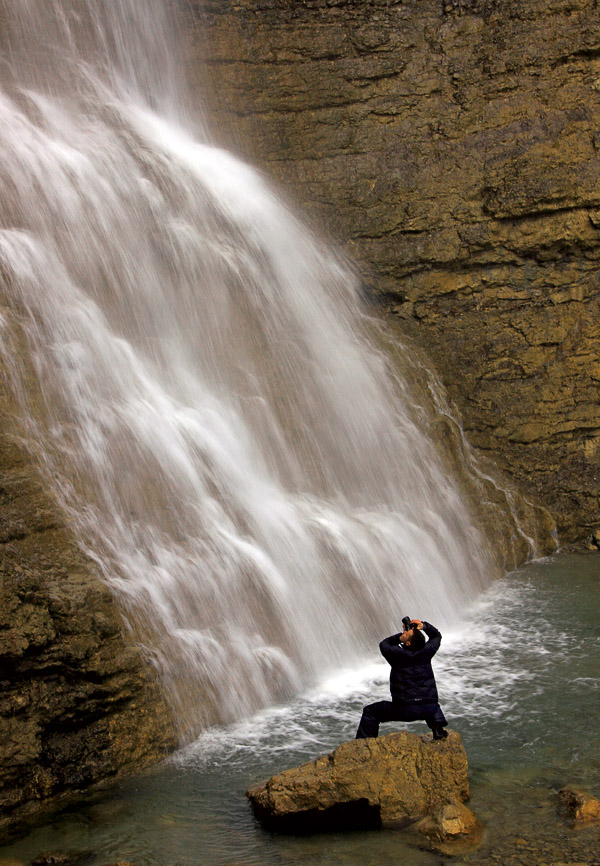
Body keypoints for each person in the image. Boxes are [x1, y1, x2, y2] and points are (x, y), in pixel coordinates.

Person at [355, 618, 448, 740]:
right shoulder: (427, 652)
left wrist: (400, 637)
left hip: (405, 709)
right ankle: (437, 729)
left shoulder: (397, 655)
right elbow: (436, 636)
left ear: (407, 643)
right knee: (429, 701)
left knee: (370, 711)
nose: (404, 633)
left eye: (406, 634)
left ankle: (363, 743)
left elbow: (384, 644)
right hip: (429, 709)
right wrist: (424, 626)